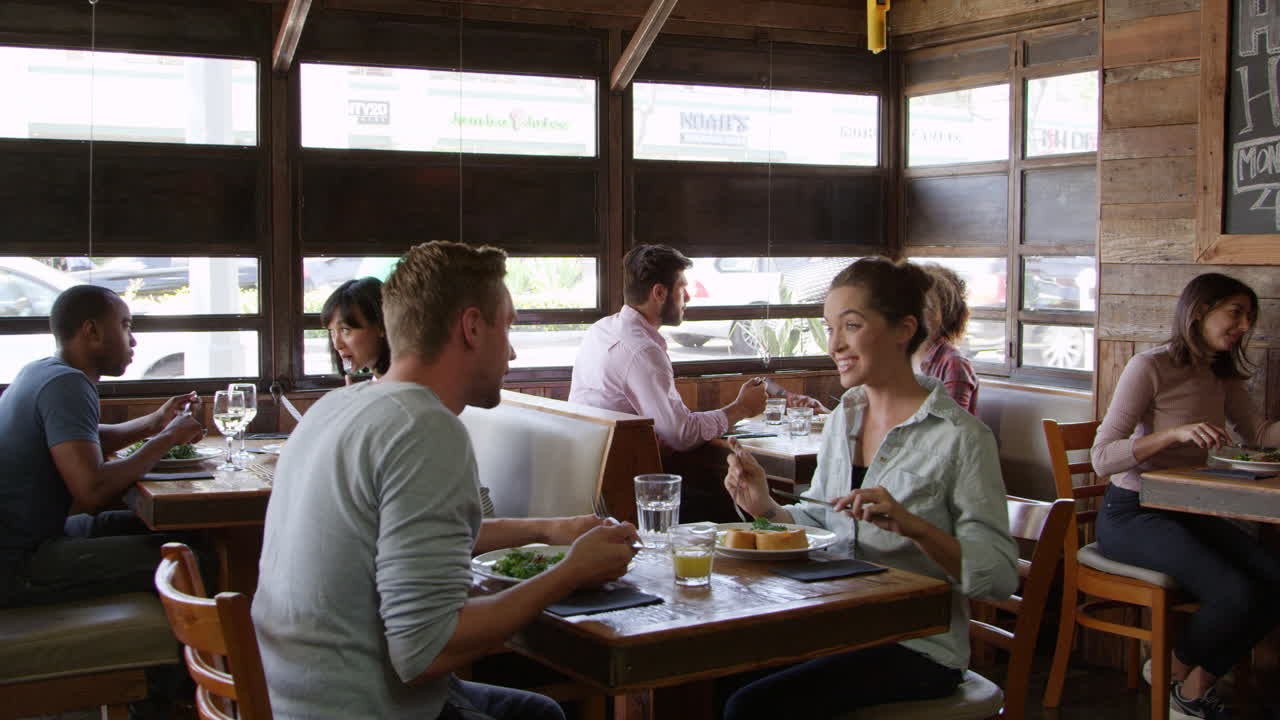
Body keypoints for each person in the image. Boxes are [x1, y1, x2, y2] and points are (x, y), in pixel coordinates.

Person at [252, 241, 640, 720]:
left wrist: (549, 530)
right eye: (509, 326)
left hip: (290, 695)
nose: (513, 351)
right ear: (473, 327)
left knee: (539, 713)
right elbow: (426, 652)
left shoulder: (339, 406)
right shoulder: (423, 427)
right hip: (360, 707)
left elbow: (410, 537)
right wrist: (570, 573)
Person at [719, 257, 1017, 719]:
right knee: (710, 681)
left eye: (851, 326)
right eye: (829, 327)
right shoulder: (844, 417)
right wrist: (766, 507)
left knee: (751, 707)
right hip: (834, 627)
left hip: (918, 648)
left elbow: (998, 578)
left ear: (903, 329)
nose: (834, 343)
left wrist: (914, 527)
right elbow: (821, 523)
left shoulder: (961, 438)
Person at [1093, 273, 1280, 720]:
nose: (1243, 325)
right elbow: (1101, 457)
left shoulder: (1222, 373)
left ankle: (1183, 680)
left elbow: (1257, 434)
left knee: (1274, 579)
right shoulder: (1150, 366)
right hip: (1131, 513)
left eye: (1249, 317)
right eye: (1235, 312)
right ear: (1199, 311)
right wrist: (1171, 434)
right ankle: (1182, 686)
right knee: (1234, 593)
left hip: (1186, 509)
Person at [0, 284, 206, 608]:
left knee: (193, 529)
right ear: (92, 330)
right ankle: (197, 657)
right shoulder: (68, 383)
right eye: (125, 325)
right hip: (21, 562)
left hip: (35, 538)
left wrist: (155, 422)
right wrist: (169, 438)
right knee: (195, 555)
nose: (133, 339)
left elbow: (80, 438)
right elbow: (92, 490)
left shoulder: (41, 371)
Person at [570, 244, 769, 452]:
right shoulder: (643, 351)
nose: (689, 298)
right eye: (682, 289)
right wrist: (742, 408)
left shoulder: (602, 328)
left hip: (589, 462)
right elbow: (681, 435)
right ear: (659, 292)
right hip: (621, 475)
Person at [915, 263, 978, 415]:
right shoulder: (896, 356)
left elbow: (951, 425)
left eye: (928, 308)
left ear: (944, 314)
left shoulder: (953, 364)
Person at [321, 276, 391, 384]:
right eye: (331, 331)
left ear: (381, 325)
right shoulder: (377, 383)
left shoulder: (403, 384)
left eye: (345, 329)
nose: (337, 345)